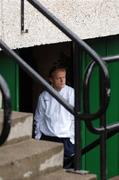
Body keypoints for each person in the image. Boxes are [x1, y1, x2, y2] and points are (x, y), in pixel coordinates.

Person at [34, 64, 75, 168]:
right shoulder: (44, 96)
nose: (62, 81)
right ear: (51, 79)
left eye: (64, 77)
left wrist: (73, 139)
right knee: (49, 168)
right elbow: (38, 118)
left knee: (67, 170)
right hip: (48, 139)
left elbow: (75, 117)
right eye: (58, 78)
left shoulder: (71, 93)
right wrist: (38, 138)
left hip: (66, 139)